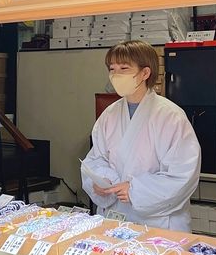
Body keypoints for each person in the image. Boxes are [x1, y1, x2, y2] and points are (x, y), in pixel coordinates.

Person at [81, 40, 201, 231]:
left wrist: (136, 190)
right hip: (115, 216)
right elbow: (96, 159)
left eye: (124, 68)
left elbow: (182, 174)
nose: (116, 75)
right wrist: (100, 181)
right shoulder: (109, 115)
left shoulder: (170, 116)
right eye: (112, 69)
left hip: (158, 222)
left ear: (145, 73)